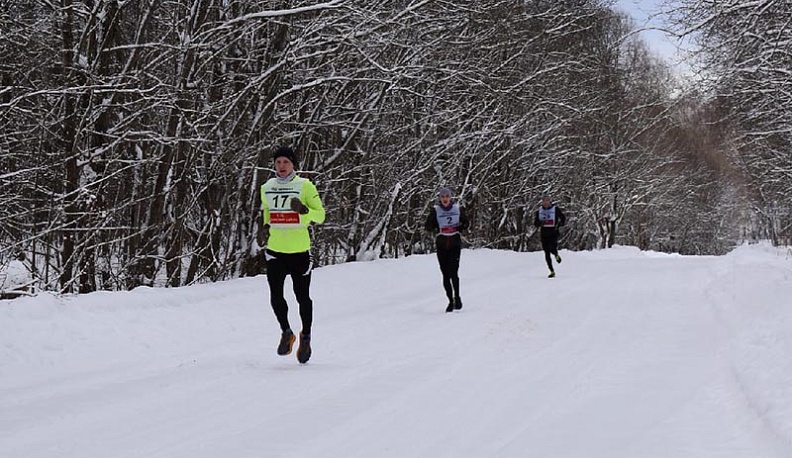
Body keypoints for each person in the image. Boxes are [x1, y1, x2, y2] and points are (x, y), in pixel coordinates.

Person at [259, 146, 325, 363]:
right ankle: (286, 332)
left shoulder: (305, 186)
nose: (281, 166)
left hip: (299, 251)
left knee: (302, 297)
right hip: (275, 250)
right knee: (275, 296)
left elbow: (321, 215)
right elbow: (268, 213)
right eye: (278, 162)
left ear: (293, 164)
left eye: (286, 162)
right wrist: (267, 224)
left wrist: (305, 212)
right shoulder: (267, 187)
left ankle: (305, 335)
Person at [425, 187, 469, 312]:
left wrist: (461, 226)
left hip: (454, 243)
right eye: (443, 197)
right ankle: (450, 301)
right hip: (442, 244)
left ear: (450, 198)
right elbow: (428, 226)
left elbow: (466, 223)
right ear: (440, 198)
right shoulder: (435, 210)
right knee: (445, 274)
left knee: (454, 272)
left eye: (447, 196)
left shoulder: (458, 209)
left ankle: (457, 297)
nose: (445, 199)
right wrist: (435, 226)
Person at [534, 194, 566, 278]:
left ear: (550, 201)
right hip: (544, 233)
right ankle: (551, 271)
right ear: (542, 202)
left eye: (547, 200)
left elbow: (563, 218)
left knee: (552, 247)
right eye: (544, 201)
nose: (546, 202)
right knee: (546, 252)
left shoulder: (555, 209)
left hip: (553, 232)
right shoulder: (539, 211)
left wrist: (560, 224)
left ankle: (556, 254)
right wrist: (540, 223)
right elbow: (535, 223)